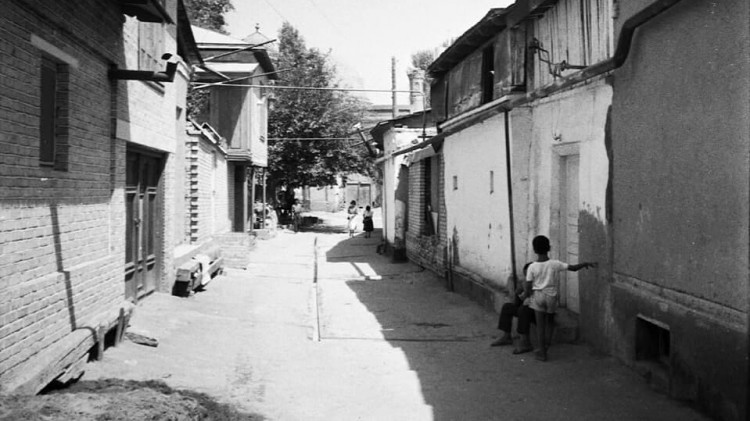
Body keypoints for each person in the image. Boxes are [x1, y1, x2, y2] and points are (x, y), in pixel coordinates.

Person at [525, 235, 596, 361]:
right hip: (552, 296)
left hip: (538, 296)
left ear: (534, 250)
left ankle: (542, 353)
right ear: (549, 248)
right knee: (550, 322)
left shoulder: (532, 267)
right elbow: (573, 268)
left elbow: (528, 287)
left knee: (540, 326)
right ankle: (546, 346)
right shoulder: (555, 264)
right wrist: (585, 263)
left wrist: (528, 296)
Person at [490, 262, 535, 354]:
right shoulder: (524, 282)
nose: (527, 277)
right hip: (526, 307)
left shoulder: (540, 283)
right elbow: (516, 301)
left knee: (524, 310)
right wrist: (517, 292)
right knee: (507, 307)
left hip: (537, 310)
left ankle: (525, 342)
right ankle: (506, 336)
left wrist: (527, 292)